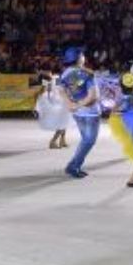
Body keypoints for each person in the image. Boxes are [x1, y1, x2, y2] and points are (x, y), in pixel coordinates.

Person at [59, 47, 99, 179]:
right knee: (89, 141)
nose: (84, 57)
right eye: (82, 55)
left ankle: (74, 165)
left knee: (85, 140)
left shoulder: (65, 73)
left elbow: (61, 90)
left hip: (77, 113)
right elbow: (93, 96)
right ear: (79, 58)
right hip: (90, 113)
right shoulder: (87, 74)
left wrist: (70, 104)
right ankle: (73, 166)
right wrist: (79, 104)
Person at [34, 72, 71, 150]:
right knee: (63, 122)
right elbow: (61, 89)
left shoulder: (50, 81)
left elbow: (44, 90)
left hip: (56, 102)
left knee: (65, 121)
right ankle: (53, 141)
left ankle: (62, 140)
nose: (50, 72)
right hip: (59, 103)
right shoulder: (55, 79)